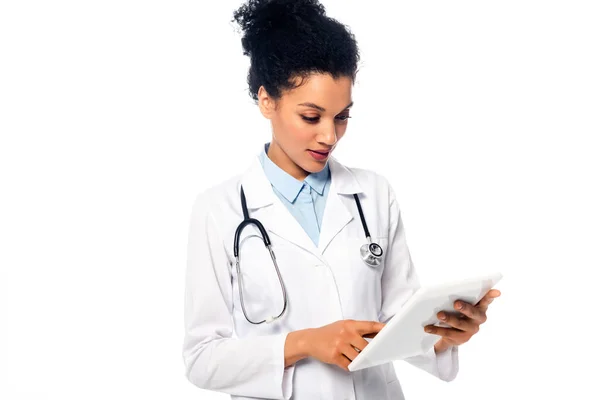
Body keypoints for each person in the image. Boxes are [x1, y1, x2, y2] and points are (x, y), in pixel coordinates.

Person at [182, 1, 501, 399]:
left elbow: (396, 323)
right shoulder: (219, 209)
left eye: (342, 116)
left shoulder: (374, 194)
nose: (330, 136)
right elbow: (202, 359)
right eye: (312, 117)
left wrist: (445, 335)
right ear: (267, 101)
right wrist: (304, 343)